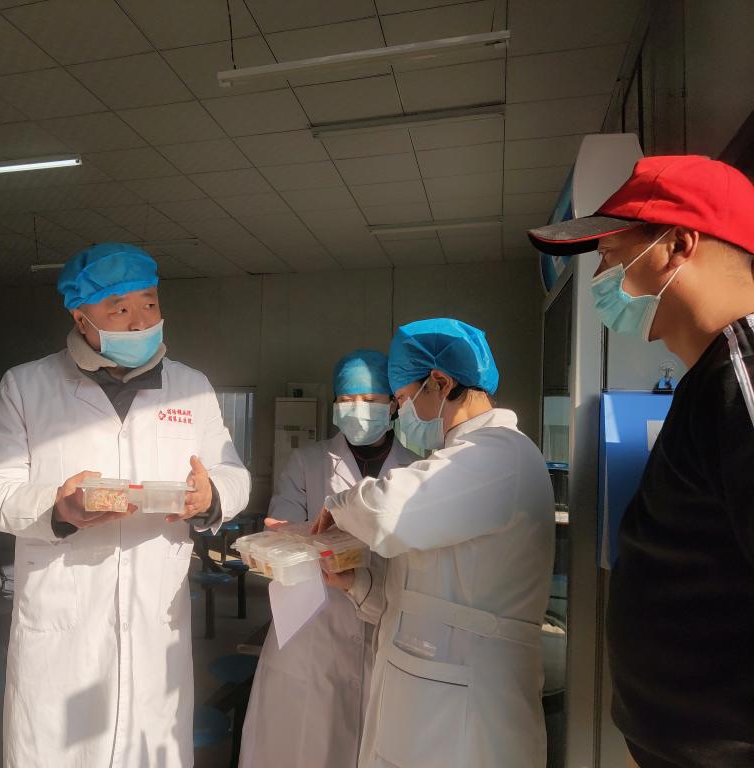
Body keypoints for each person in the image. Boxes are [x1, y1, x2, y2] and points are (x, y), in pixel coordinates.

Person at [0, 242, 251, 767]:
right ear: (81, 317)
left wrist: (214, 495)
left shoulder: (191, 388)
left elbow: (234, 475)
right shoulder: (27, 385)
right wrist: (57, 509)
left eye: (150, 304)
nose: (141, 322)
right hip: (63, 633)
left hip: (154, 621)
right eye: (119, 309)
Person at [528, 155, 754, 768]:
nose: (601, 276)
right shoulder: (706, 380)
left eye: (609, 254)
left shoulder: (743, 374)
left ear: (678, 244)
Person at [313, 318, 555, 768]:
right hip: (430, 702)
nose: (400, 412)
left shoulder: (501, 454)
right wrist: (355, 584)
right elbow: (420, 595)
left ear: (440, 383)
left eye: (403, 399)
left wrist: (337, 504)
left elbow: (386, 512)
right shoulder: (459, 460)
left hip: (468, 713)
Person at [239, 349, 416, 768]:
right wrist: (291, 537)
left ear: (393, 404)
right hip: (311, 628)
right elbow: (283, 529)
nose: (358, 409)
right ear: (335, 404)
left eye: (370, 400)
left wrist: (324, 536)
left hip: (384, 621)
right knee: (301, 746)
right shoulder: (308, 461)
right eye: (348, 399)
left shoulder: (413, 469)